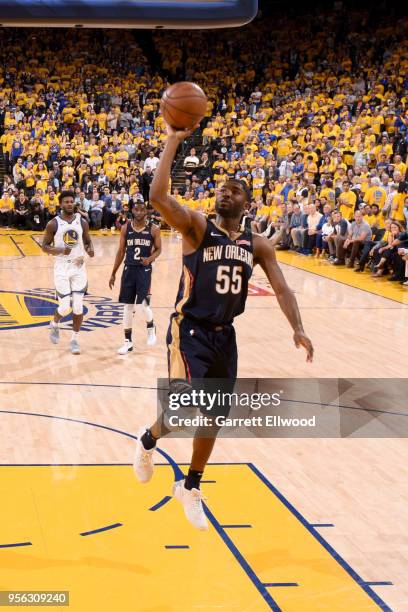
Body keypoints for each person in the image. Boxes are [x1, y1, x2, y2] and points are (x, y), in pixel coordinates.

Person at [133, 123, 314, 531]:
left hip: (224, 336)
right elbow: (158, 196)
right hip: (189, 329)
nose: (225, 192)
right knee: (183, 408)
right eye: (222, 188)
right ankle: (148, 439)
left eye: (234, 190)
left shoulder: (257, 244)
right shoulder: (197, 227)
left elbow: (283, 289)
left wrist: (297, 328)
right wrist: (174, 140)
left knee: (213, 415)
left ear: (246, 202)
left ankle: (191, 485)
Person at [41, 190, 94, 355]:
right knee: (64, 307)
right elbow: (44, 246)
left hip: (78, 266)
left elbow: (88, 241)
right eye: (66, 202)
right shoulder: (53, 224)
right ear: (61, 204)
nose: (69, 204)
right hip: (61, 267)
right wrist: (60, 250)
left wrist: (90, 250)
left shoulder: (82, 221)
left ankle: (74, 339)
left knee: (78, 307)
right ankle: (55, 323)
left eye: (72, 201)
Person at [109, 202, 162, 354]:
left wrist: (150, 258)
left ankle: (151, 327)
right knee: (127, 307)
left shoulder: (154, 229)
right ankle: (127, 342)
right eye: (136, 209)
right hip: (129, 269)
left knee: (141, 305)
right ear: (132, 210)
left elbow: (159, 250)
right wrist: (113, 272)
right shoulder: (126, 228)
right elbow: (120, 251)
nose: (139, 212)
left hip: (144, 270)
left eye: (142, 209)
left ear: (146, 211)